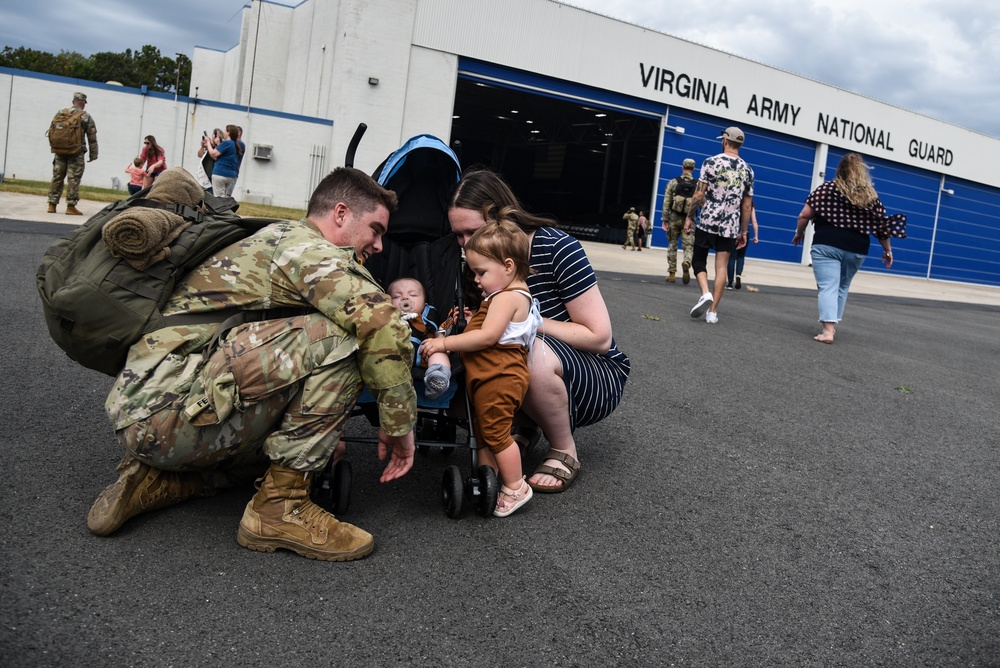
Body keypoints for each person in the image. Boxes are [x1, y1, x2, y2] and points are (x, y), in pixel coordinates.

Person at [88, 166, 417, 562]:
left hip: (152, 410)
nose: (380, 245)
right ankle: (280, 507)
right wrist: (400, 426)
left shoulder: (277, 240)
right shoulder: (303, 248)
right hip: (166, 411)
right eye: (376, 229)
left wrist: (320, 436)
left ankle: (167, 479)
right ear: (342, 214)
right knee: (346, 337)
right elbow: (382, 321)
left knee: (308, 440)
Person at [449, 168, 630, 493]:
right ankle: (525, 425)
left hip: (593, 372)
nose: (465, 245)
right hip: (533, 367)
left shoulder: (556, 247)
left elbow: (599, 338)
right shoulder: (479, 262)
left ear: (498, 216)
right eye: (458, 236)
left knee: (527, 349)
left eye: (472, 232)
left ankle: (564, 448)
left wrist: (527, 322)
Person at [421, 213, 542, 516]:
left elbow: (488, 337)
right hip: (496, 373)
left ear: (508, 267)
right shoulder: (514, 295)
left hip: (498, 374)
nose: (475, 279)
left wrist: (444, 343)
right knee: (488, 430)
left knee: (498, 433)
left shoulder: (505, 298)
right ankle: (489, 478)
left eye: (481, 272)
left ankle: (516, 486)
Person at [793, 153, 907, 343]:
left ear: (840, 170)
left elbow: (804, 214)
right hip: (857, 247)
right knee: (842, 286)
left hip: (827, 243)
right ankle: (832, 326)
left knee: (828, 286)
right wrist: (888, 250)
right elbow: (882, 228)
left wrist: (799, 232)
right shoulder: (870, 196)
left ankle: (827, 331)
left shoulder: (827, 189)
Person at [685, 127, 754, 324]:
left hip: (708, 221)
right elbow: (747, 205)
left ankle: (705, 293)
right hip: (730, 225)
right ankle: (713, 312)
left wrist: (690, 217)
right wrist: (743, 231)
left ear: (725, 141)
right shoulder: (748, 170)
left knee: (698, 259)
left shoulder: (711, 162)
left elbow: (699, 194)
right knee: (722, 266)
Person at [387, 277, 452, 400]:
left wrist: (441, 341)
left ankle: (438, 376)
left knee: (438, 350)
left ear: (425, 304)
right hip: (396, 356)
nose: (405, 298)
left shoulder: (428, 314)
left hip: (424, 351)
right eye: (396, 296)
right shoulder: (387, 317)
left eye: (413, 295)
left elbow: (439, 331)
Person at [47, 92, 98, 216]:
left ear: (73, 101)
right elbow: (92, 137)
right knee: (73, 178)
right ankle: (71, 206)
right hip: (76, 152)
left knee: (57, 177)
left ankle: (52, 205)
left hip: (59, 150)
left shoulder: (61, 113)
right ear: (83, 103)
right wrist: (93, 154)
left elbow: (51, 131)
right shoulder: (85, 116)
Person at [661, 158, 697, 284]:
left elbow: (666, 202)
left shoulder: (673, 183)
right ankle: (687, 262)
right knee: (688, 246)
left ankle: (672, 274)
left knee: (672, 244)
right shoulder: (697, 185)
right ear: (693, 169)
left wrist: (665, 219)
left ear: (682, 167)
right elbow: (702, 203)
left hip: (674, 218)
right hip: (689, 219)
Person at [726, 199, 760, 289]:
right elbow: (754, 221)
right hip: (746, 232)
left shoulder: (735, 201)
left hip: (734, 231)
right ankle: (738, 275)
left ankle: (730, 283)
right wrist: (756, 236)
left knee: (731, 257)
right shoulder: (750, 205)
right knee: (741, 256)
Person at [206, 125, 245, 197]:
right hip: (230, 175)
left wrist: (208, 142)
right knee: (224, 198)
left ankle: (220, 208)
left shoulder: (227, 143)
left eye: (225, 131)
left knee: (219, 199)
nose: (224, 132)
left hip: (220, 173)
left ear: (229, 132)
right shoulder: (235, 145)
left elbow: (213, 153)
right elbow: (218, 157)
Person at [196, 128, 223, 193]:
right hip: (204, 175)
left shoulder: (221, 147)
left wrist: (208, 145)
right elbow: (200, 154)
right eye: (213, 135)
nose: (214, 137)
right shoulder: (210, 146)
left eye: (216, 136)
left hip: (213, 175)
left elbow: (214, 156)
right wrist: (203, 146)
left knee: (211, 195)